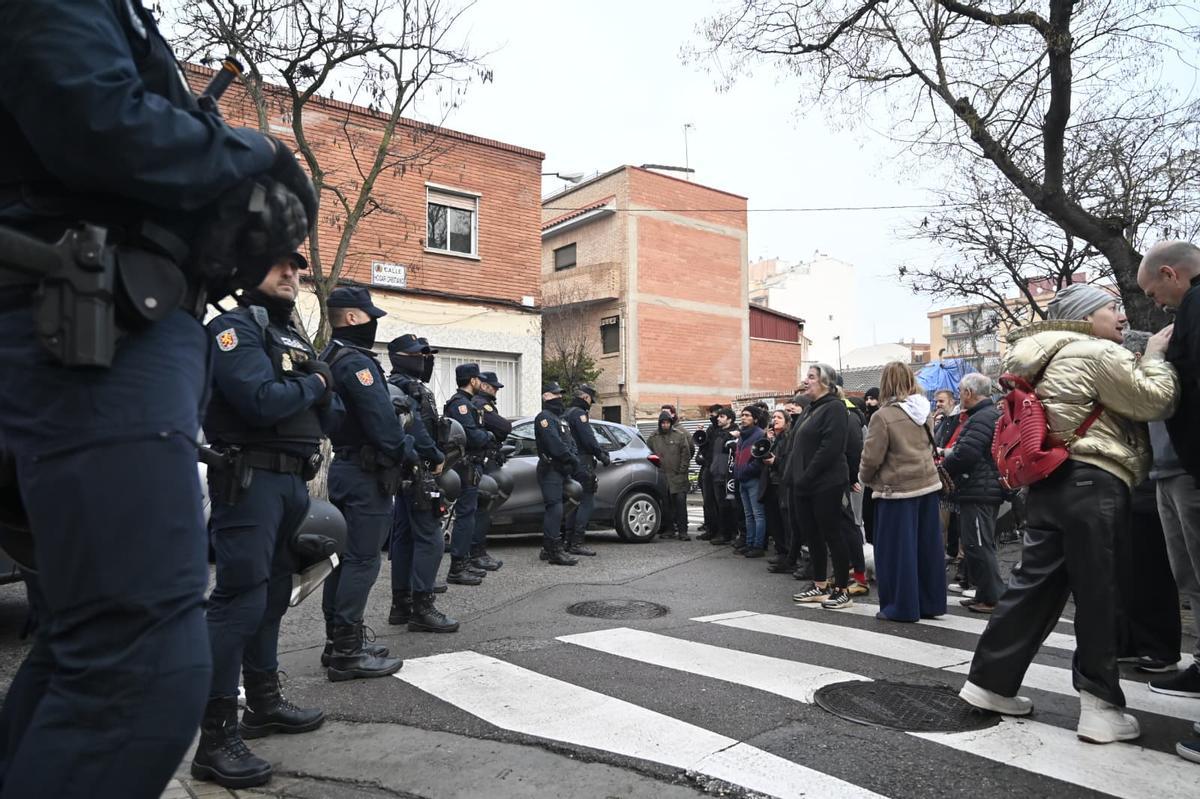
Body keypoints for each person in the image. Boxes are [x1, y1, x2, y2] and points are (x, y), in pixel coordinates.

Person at [0, 3, 317, 795]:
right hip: (87, 328)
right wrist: (256, 154)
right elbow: (97, 120)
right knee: (139, 669)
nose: (292, 270)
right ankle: (225, 729)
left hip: (117, 326)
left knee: (89, 649)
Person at [958, 284, 1177, 746]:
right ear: (1085, 316)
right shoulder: (1095, 351)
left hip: (1048, 481)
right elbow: (1155, 400)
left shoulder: (1037, 357)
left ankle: (989, 682)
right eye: (1111, 307)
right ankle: (1100, 708)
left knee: (1033, 586)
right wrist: (1155, 357)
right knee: (1101, 591)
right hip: (1095, 478)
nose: (1121, 316)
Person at [190, 253, 340, 787]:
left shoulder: (291, 336)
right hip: (250, 481)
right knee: (240, 602)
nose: (291, 274)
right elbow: (258, 401)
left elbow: (329, 415)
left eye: (296, 267)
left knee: (274, 596)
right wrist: (315, 385)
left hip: (291, 482)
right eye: (277, 265)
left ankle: (263, 703)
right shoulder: (232, 330)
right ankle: (214, 739)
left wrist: (314, 388)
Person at [319, 287, 407, 681]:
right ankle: (347, 652)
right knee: (363, 560)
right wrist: (404, 451)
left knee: (342, 560)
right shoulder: (355, 362)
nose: (374, 323)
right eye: (370, 315)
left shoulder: (330, 356)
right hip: (364, 473)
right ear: (353, 317)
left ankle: (337, 641)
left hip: (345, 467)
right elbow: (383, 424)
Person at [1136, 241, 1200, 762]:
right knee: (1190, 578)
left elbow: (1174, 393)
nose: (1152, 302)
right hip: (1172, 469)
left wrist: (1154, 360)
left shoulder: (1194, 310)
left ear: (1169, 274)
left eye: (1152, 290)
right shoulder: (1187, 314)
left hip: (1189, 467)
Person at [858, 362, 945, 623]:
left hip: (896, 490)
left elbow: (872, 458)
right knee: (927, 550)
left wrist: (865, 478)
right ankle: (929, 602)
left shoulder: (883, 416)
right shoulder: (924, 410)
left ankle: (901, 607)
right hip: (927, 486)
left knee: (897, 553)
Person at [385, 334, 457, 634]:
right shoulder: (406, 388)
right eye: (419, 355)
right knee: (431, 537)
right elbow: (415, 428)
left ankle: (401, 605)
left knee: (403, 537)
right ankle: (422, 607)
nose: (425, 360)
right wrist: (435, 455)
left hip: (406, 470)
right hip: (419, 469)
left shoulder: (400, 386)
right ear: (401, 357)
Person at [787, 364, 854, 609]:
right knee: (812, 534)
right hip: (804, 485)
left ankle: (842, 589)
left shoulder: (835, 408)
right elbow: (797, 446)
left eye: (812, 377)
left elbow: (830, 448)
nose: (806, 381)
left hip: (826, 483)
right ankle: (820, 584)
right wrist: (792, 478)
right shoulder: (810, 409)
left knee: (832, 534)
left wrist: (806, 477)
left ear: (825, 382)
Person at [940, 372, 1004, 614]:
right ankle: (984, 593)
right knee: (975, 543)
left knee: (978, 544)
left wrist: (944, 466)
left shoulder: (981, 418)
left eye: (960, 392)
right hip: (981, 488)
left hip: (980, 490)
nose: (959, 396)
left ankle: (993, 598)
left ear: (968, 393)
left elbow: (966, 454)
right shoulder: (987, 415)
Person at [442, 363, 491, 586]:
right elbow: (472, 436)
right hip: (465, 466)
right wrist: (488, 436)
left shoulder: (467, 403)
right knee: (465, 516)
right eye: (478, 379)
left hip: (470, 466)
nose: (481, 383)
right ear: (472, 381)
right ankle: (457, 566)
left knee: (469, 515)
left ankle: (465, 560)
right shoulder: (460, 404)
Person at [534, 382, 580, 565]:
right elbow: (554, 444)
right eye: (555, 394)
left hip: (561, 470)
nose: (559, 397)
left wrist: (573, 457)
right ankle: (554, 551)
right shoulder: (544, 418)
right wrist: (570, 458)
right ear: (546, 396)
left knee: (560, 509)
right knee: (554, 508)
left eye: (560, 394)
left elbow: (570, 442)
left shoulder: (560, 419)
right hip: (550, 469)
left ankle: (548, 548)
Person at [563, 384, 611, 556]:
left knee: (573, 503)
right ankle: (577, 543)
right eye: (591, 400)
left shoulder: (566, 413)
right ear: (585, 398)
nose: (590, 404)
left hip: (570, 463)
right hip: (583, 463)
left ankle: (568, 541)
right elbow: (589, 439)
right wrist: (602, 455)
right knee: (586, 502)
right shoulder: (579, 414)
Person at [471, 371, 511, 571]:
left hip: (487, 461)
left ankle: (477, 552)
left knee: (483, 511)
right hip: (482, 464)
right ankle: (476, 553)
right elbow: (504, 427)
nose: (496, 390)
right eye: (494, 387)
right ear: (484, 385)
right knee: (482, 510)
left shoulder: (483, 403)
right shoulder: (480, 403)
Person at [647, 410, 692, 540]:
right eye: (663, 423)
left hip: (678, 476)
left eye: (667, 423)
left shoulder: (679, 435)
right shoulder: (653, 437)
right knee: (666, 505)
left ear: (671, 423)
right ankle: (669, 529)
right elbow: (648, 453)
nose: (665, 425)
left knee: (680, 505)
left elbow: (686, 454)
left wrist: (682, 470)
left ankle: (683, 531)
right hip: (663, 476)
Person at [733, 407, 768, 557]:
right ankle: (749, 543)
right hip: (742, 479)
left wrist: (746, 470)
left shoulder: (760, 434)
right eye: (742, 415)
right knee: (748, 515)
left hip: (753, 479)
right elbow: (738, 456)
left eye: (747, 415)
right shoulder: (742, 435)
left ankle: (758, 546)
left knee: (758, 514)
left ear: (755, 419)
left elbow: (759, 459)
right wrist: (737, 472)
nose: (743, 418)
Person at [706, 407, 740, 546]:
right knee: (720, 505)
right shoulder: (717, 432)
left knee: (730, 505)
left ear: (729, 419)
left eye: (722, 416)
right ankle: (722, 532)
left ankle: (730, 533)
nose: (718, 419)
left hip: (728, 475)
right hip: (717, 473)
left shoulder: (735, 433)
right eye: (718, 416)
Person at [764, 410, 792, 571]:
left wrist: (775, 461)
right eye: (773, 417)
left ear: (787, 422)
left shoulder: (789, 438)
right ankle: (781, 552)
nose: (775, 420)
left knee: (785, 522)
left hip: (783, 483)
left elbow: (789, 461)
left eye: (779, 417)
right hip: (772, 483)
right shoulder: (774, 438)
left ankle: (789, 556)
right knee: (775, 520)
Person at [696, 404, 723, 540]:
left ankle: (722, 531)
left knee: (720, 502)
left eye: (716, 413)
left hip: (720, 470)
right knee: (708, 501)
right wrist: (700, 436)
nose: (713, 416)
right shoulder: (710, 429)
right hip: (708, 468)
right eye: (711, 413)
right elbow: (704, 448)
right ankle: (710, 529)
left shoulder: (726, 430)